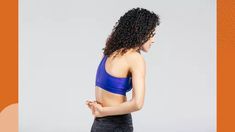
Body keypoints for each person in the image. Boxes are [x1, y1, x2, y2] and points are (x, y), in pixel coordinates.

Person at [86, 7, 160, 132]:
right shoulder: (135, 58)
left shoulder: (110, 51)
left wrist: (101, 111)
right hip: (117, 124)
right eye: (151, 34)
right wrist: (103, 111)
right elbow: (137, 103)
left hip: (99, 124)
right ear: (139, 30)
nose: (153, 40)